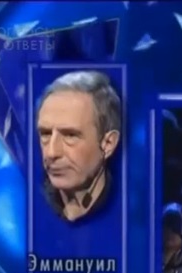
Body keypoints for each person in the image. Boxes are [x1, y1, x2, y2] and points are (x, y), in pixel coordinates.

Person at [36, 70, 121, 222]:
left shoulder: (130, 214)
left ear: (108, 144)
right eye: (46, 134)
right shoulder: (27, 206)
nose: (51, 153)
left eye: (70, 135)